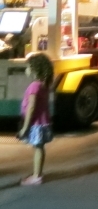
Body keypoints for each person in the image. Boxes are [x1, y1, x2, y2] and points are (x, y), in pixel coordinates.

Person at [17, 53, 54, 186]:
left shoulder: (34, 86)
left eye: (28, 67)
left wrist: (25, 127)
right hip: (44, 123)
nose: (26, 70)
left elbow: (31, 107)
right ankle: (37, 173)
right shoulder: (43, 85)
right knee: (39, 148)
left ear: (35, 69)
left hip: (36, 124)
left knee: (37, 148)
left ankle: (36, 177)